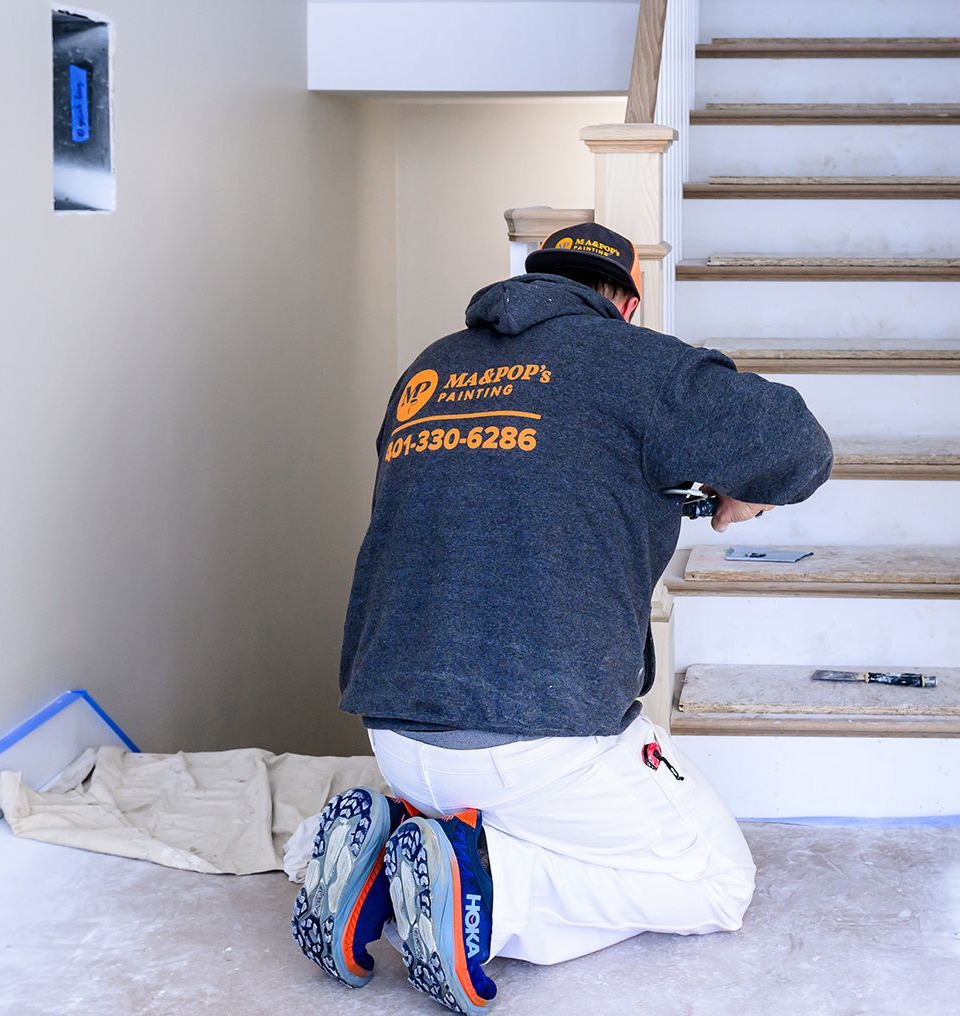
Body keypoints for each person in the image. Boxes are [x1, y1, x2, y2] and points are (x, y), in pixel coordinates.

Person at [291, 222, 834, 1013]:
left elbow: (518, 481)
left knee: (531, 810)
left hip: (395, 730)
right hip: (535, 744)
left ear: (536, 279)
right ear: (625, 305)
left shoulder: (431, 368)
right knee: (715, 883)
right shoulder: (635, 363)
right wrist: (744, 492)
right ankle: (485, 891)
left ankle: (375, 862)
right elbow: (797, 443)